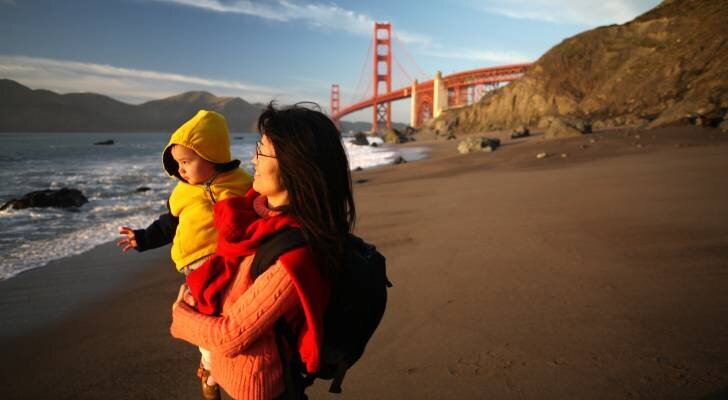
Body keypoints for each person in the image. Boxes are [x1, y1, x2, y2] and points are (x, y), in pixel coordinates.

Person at [170, 102, 356, 400]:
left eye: (263, 150)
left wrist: (180, 315)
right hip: (226, 374)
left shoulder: (295, 255)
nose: (253, 158)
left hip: (258, 390)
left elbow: (230, 336)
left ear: (295, 165)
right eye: (258, 146)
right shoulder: (251, 213)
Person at [117, 109, 252, 399]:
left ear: (211, 155)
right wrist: (142, 238)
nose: (180, 170)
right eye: (177, 163)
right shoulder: (182, 193)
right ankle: (209, 368)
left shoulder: (241, 184)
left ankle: (230, 365)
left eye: (187, 162)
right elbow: (167, 226)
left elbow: (259, 209)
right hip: (196, 266)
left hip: (233, 260)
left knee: (232, 314)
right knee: (206, 316)